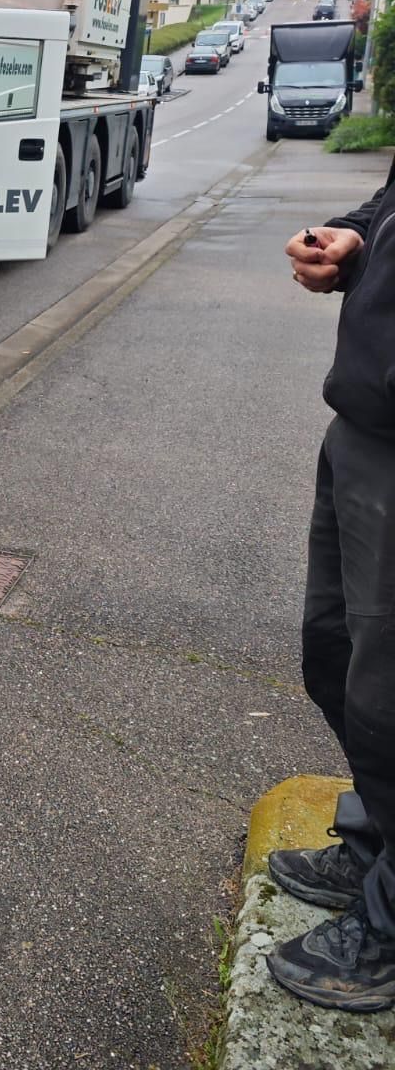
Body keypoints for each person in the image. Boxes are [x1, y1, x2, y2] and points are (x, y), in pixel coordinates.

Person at [265, 170, 395, 1010]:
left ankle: (389, 924)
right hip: (365, 428)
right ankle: (379, 841)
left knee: (393, 692)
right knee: (336, 653)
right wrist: (353, 240)